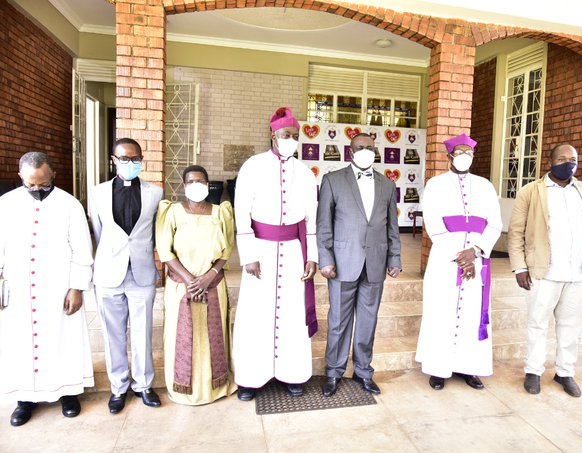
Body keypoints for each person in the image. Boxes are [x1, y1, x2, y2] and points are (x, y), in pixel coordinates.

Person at [0, 152, 94, 426]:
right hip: (19, 288)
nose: (37, 189)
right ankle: (24, 399)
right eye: (31, 184)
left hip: (59, 287)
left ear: (52, 174)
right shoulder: (6, 204)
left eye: (43, 183)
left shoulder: (69, 204)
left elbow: (82, 249)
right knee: (21, 342)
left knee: (64, 339)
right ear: (21, 176)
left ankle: (69, 394)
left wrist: (77, 287)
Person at [232, 107, 318, 401]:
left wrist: (312, 256)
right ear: (273, 135)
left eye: (294, 135)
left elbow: (312, 219)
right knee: (255, 314)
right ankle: (250, 379)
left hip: (294, 252)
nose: (290, 139)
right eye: (285, 135)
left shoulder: (305, 173)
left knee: (292, 314)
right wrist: (248, 254)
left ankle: (292, 374)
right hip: (261, 251)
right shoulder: (252, 166)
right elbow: (241, 212)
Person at [507, 143, 582, 397]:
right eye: (562, 159)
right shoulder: (531, 192)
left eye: (573, 159)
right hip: (544, 272)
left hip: (578, 273)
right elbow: (516, 232)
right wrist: (519, 267)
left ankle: (565, 372)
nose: (568, 163)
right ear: (550, 162)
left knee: (571, 325)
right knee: (537, 323)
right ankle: (533, 371)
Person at [317, 132, 401, 397]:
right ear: (350, 151)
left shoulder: (387, 185)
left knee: (368, 321)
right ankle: (334, 371)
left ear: (375, 151)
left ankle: (363, 371)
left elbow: (392, 227)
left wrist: (395, 258)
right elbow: (323, 224)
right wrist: (326, 259)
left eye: (370, 148)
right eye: (360, 147)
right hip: (342, 263)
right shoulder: (333, 180)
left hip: (375, 262)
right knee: (338, 321)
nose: (366, 151)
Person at [415, 134, 502, 391]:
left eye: (469, 153)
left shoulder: (485, 186)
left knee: (472, 314)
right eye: (460, 152)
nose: (464, 157)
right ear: (449, 156)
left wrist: (475, 251)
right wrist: (460, 256)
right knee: (441, 312)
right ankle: (438, 368)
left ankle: (468, 367)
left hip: (477, 260)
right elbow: (433, 225)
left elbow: (495, 224)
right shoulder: (435, 185)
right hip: (445, 259)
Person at [89, 138, 163, 413]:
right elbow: (99, 232)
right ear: (114, 160)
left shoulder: (155, 193)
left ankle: (144, 385)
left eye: (135, 159)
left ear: (142, 160)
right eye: (124, 159)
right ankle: (118, 387)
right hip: (109, 273)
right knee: (113, 335)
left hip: (141, 272)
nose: (130, 163)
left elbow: (155, 232)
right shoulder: (97, 193)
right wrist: (112, 256)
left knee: (143, 333)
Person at [156, 165, 236, 404]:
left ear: (208, 184)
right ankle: (183, 389)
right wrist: (191, 280)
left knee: (212, 337)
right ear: (184, 185)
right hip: (182, 287)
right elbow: (165, 251)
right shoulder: (172, 212)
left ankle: (215, 387)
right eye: (190, 182)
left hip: (213, 285)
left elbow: (227, 250)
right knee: (182, 337)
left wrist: (209, 276)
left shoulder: (221, 213)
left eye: (200, 181)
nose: (195, 185)